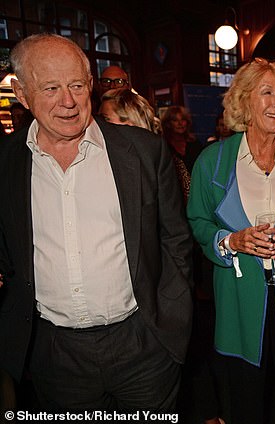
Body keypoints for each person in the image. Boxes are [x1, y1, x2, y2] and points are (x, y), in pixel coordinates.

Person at [0, 33, 193, 412]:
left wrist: (172, 322)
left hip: (143, 344)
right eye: (51, 88)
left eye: (75, 85)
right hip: (55, 355)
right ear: (22, 95)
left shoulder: (143, 150)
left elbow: (177, 241)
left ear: (90, 84)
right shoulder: (6, 162)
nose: (68, 102)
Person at [187, 57, 275, 424]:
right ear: (244, 100)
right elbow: (198, 222)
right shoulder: (212, 160)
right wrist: (232, 241)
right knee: (246, 402)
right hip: (239, 302)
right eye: (268, 93)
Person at [161, 105, 203, 173]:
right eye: (175, 120)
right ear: (168, 124)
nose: (180, 123)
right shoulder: (164, 145)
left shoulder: (195, 144)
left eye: (183, 120)